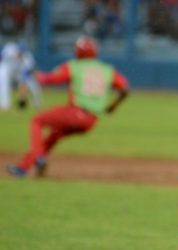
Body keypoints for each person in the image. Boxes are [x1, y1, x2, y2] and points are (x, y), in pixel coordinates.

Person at [6, 36, 129, 177]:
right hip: (91, 121)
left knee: (37, 121)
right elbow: (125, 88)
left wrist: (33, 74)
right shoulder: (107, 69)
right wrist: (113, 106)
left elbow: (49, 79)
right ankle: (23, 168)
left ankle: (39, 159)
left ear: (78, 52)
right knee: (55, 135)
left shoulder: (74, 66)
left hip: (76, 113)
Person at [0, 41, 42, 111]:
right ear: (17, 49)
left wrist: (22, 94)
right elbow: (1, 56)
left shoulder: (27, 57)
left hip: (19, 73)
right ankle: (5, 104)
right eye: (19, 51)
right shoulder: (10, 49)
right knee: (3, 82)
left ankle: (37, 103)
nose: (20, 53)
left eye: (22, 52)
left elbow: (26, 74)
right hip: (6, 69)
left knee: (33, 84)